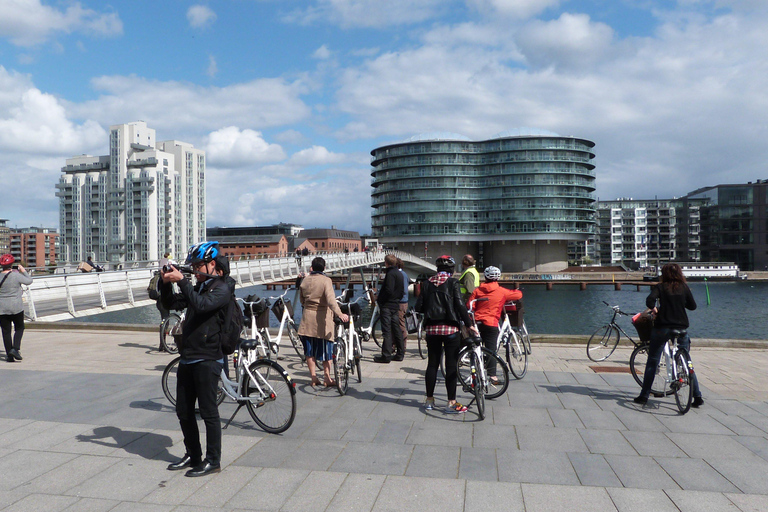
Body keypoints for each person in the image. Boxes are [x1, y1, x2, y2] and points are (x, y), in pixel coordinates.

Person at [161, 241, 234, 477]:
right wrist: (166, 285)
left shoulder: (222, 288)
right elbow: (171, 304)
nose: (195, 270)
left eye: (198, 265)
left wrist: (182, 281)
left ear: (212, 264)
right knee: (183, 411)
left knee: (209, 412)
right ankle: (194, 455)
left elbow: (202, 307)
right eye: (192, 266)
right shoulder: (199, 287)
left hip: (208, 357)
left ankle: (214, 460)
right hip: (189, 356)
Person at [415, 255, 479, 413]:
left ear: (437, 269)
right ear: (451, 269)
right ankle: (451, 402)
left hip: (431, 330)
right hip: (450, 329)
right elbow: (459, 305)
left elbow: (418, 307)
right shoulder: (453, 283)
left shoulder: (426, 284)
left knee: (432, 364)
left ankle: (429, 400)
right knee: (451, 366)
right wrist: (470, 325)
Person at [634, 263, 703, 407]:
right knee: (687, 362)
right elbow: (693, 306)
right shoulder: (684, 287)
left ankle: (644, 395)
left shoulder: (660, 287)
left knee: (653, 361)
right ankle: (697, 396)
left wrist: (655, 309)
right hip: (682, 327)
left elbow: (649, 301)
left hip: (663, 327)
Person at [298, 257, 348, 387]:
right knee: (326, 351)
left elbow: (301, 300)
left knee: (309, 351)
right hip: (322, 318)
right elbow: (331, 300)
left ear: (312, 267)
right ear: (324, 268)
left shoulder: (305, 280)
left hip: (307, 318)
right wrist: (340, 313)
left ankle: (313, 377)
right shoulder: (326, 280)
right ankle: (327, 378)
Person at [467, 266, 522, 384]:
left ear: (485, 277)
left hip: (477, 322)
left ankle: (474, 371)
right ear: (498, 277)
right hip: (491, 323)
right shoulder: (501, 291)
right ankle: (492, 377)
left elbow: (470, 305)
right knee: (491, 349)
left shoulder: (477, 290)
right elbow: (518, 295)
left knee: (476, 346)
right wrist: (517, 290)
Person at [373, 254, 406, 363]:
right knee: (396, 329)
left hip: (387, 305)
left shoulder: (390, 274)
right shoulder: (400, 274)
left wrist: (380, 299)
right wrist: (397, 299)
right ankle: (400, 353)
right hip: (395, 304)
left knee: (386, 331)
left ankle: (386, 355)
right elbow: (402, 291)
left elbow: (388, 290)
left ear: (386, 263)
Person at [0, 254, 33, 363]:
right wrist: (23, 271)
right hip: (16, 307)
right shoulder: (16, 275)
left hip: (2, 308)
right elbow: (29, 281)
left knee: (6, 332)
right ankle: (15, 349)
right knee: (19, 328)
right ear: (12, 265)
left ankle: (10, 356)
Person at [396, 258, 410, 355]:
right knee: (399, 323)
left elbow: (402, 290)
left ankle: (402, 347)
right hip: (405, 302)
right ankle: (398, 345)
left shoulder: (399, 275)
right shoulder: (405, 274)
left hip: (400, 302)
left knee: (400, 324)